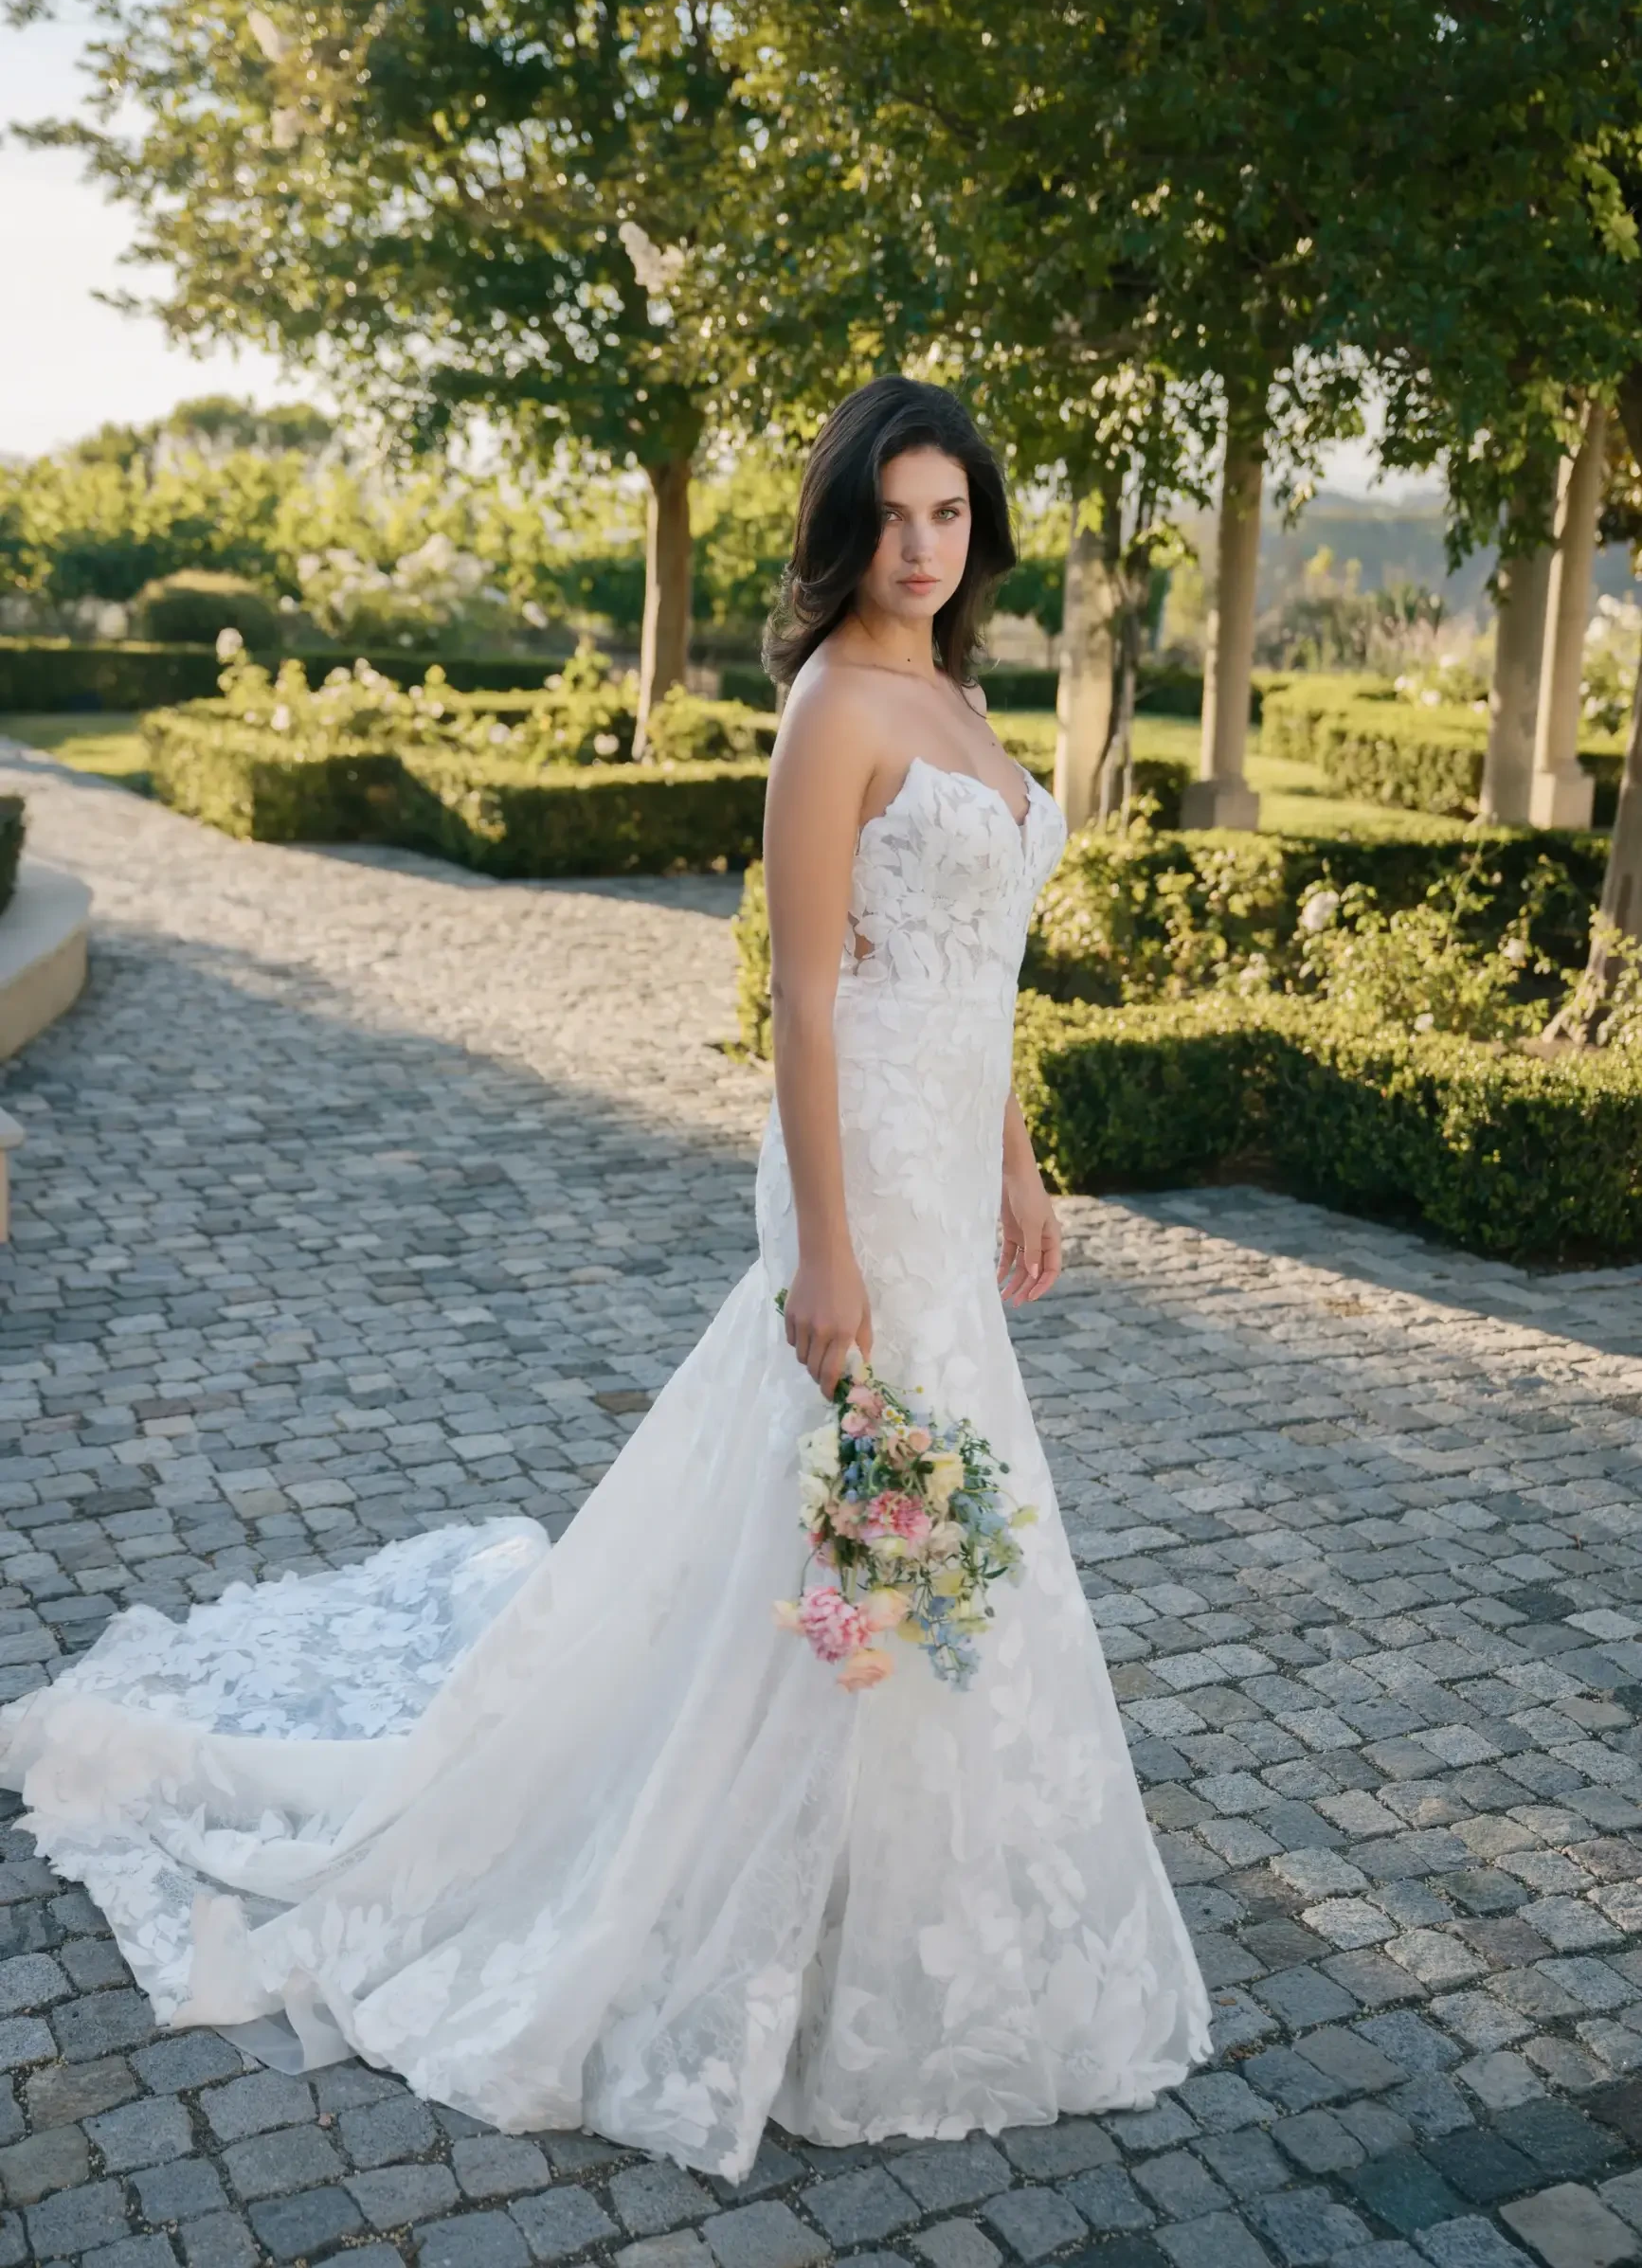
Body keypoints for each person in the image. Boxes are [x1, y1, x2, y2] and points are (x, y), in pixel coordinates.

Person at [0, 377, 1209, 2182]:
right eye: (891, 515)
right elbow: (806, 993)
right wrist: (826, 1251)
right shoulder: (830, 707)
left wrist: (1021, 1163)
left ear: (980, 536)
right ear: (845, 526)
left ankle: (905, 1890)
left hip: (951, 1162)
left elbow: (983, 975)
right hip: (857, 1165)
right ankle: (753, 1905)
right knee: (856, 1509)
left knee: (923, 1520)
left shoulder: (961, 695)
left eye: (948, 516)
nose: (918, 546)